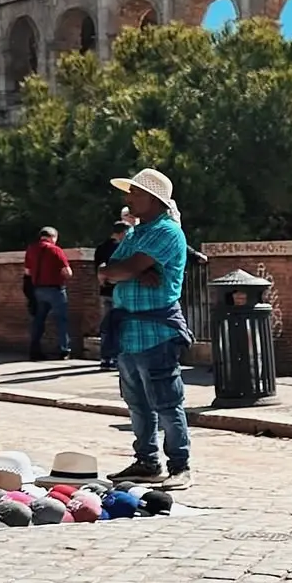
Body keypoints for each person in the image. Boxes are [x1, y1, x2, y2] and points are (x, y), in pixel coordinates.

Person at [98, 168, 194, 490]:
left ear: (154, 199)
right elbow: (107, 271)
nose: (129, 199)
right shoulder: (136, 234)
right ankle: (147, 462)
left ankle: (180, 466)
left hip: (156, 333)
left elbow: (122, 268)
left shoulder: (167, 232)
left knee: (167, 402)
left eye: (135, 193)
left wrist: (128, 271)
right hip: (128, 333)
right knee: (137, 403)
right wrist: (133, 272)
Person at [25, 226, 73, 360]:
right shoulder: (56, 250)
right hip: (55, 289)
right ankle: (64, 349)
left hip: (38, 289)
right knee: (61, 320)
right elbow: (68, 272)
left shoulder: (31, 249)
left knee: (39, 320)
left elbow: (27, 272)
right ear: (53, 237)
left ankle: (34, 349)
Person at [95, 219, 132, 371]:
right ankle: (116, 357)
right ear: (123, 233)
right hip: (119, 291)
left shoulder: (101, 248)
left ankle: (105, 358)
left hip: (104, 290)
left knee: (106, 326)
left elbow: (99, 268)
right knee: (119, 326)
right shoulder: (122, 248)